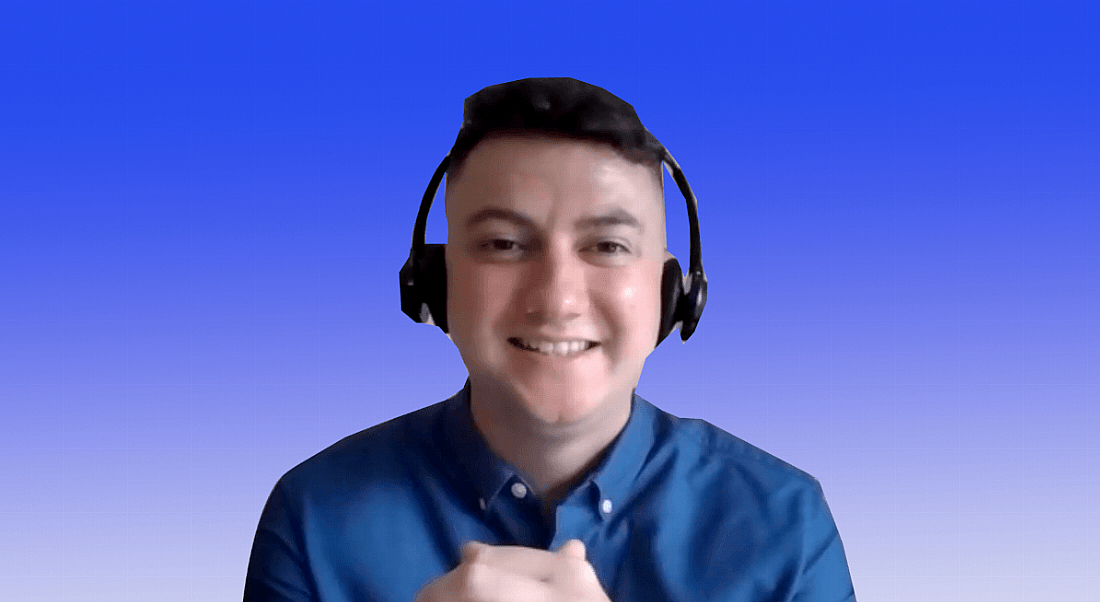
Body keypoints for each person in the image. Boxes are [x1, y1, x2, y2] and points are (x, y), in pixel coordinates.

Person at [244, 77, 857, 602]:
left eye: (608, 247)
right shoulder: (314, 519)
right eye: (504, 245)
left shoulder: (785, 525)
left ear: (672, 293)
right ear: (436, 282)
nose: (557, 299)